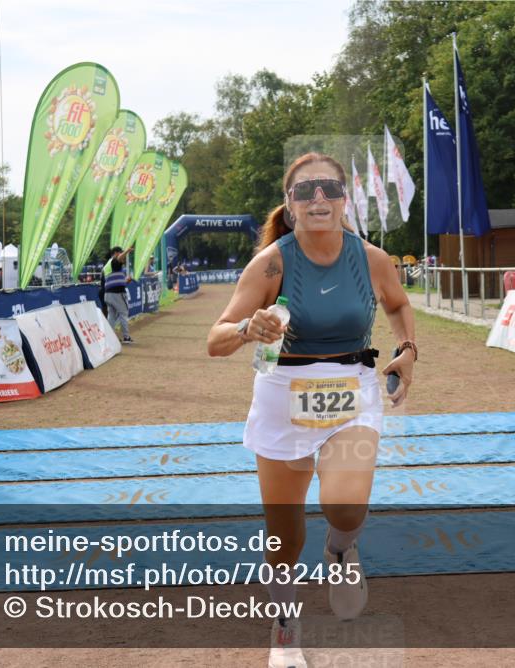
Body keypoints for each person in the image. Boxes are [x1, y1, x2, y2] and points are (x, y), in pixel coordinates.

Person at [207, 152, 416, 668]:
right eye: (305, 191)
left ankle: (342, 551)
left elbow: (397, 304)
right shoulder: (271, 264)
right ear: (290, 204)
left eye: (328, 189)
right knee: (284, 536)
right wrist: (246, 329)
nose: (317, 199)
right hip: (282, 395)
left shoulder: (371, 258)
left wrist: (407, 350)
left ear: (345, 200)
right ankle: (285, 629)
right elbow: (216, 339)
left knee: (344, 507)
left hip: (353, 391)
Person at [103, 256, 133, 343]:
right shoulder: (116, 267)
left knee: (111, 316)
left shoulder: (108, 269)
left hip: (108, 294)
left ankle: (110, 337)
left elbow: (118, 283)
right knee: (123, 314)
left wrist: (126, 281)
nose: (123, 261)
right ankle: (126, 337)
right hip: (117, 294)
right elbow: (119, 284)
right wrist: (127, 251)